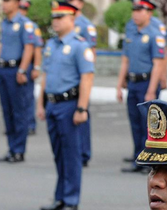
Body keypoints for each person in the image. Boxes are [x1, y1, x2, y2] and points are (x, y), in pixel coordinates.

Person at [37, 0, 94, 210]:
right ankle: (60, 197)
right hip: (52, 104)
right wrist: (41, 104)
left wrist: (82, 108)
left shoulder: (80, 45)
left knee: (71, 154)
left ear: (72, 19)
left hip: (70, 105)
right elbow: (45, 76)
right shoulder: (51, 44)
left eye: (60, 17)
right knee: (58, 154)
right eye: (54, 17)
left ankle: (71, 198)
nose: (56, 21)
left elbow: (87, 77)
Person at [117, 0, 166, 173]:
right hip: (133, 83)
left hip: (147, 83)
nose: (136, 14)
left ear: (149, 13)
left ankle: (150, 160)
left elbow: (158, 64)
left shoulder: (155, 34)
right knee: (135, 122)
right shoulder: (131, 34)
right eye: (134, 10)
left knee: (149, 125)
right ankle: (138, 157)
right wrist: (119, 84)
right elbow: (125, 60)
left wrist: (152, 90)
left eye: (140, 11)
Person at [0, 0, 36, 163]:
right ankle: (11, 148)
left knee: (18, 112)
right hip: (3, 70)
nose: (4, 4)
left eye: (7, 1)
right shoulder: (5, 23)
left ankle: (19, 150)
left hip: (16, 70)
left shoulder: (25, 23)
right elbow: (1, 47)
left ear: (17, 3)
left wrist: (22, 70)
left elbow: (29, 48)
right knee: (7, 111)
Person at [70, 0, 94, 165]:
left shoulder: (86, 25)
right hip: (68, 79)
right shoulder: (65, 22)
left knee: (82, 114)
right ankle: (74, 152)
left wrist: (88, 78)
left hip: (81, 78)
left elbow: (91, 54)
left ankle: (84, 153)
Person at [20, 0, 41, 134]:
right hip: (16, 66)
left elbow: (37, 49)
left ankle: (30, 124)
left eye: (24, 9)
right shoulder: (12, 24)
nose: (22, 11)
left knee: (27, 97)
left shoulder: (31, 26)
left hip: (27, 67)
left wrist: (36, 67)